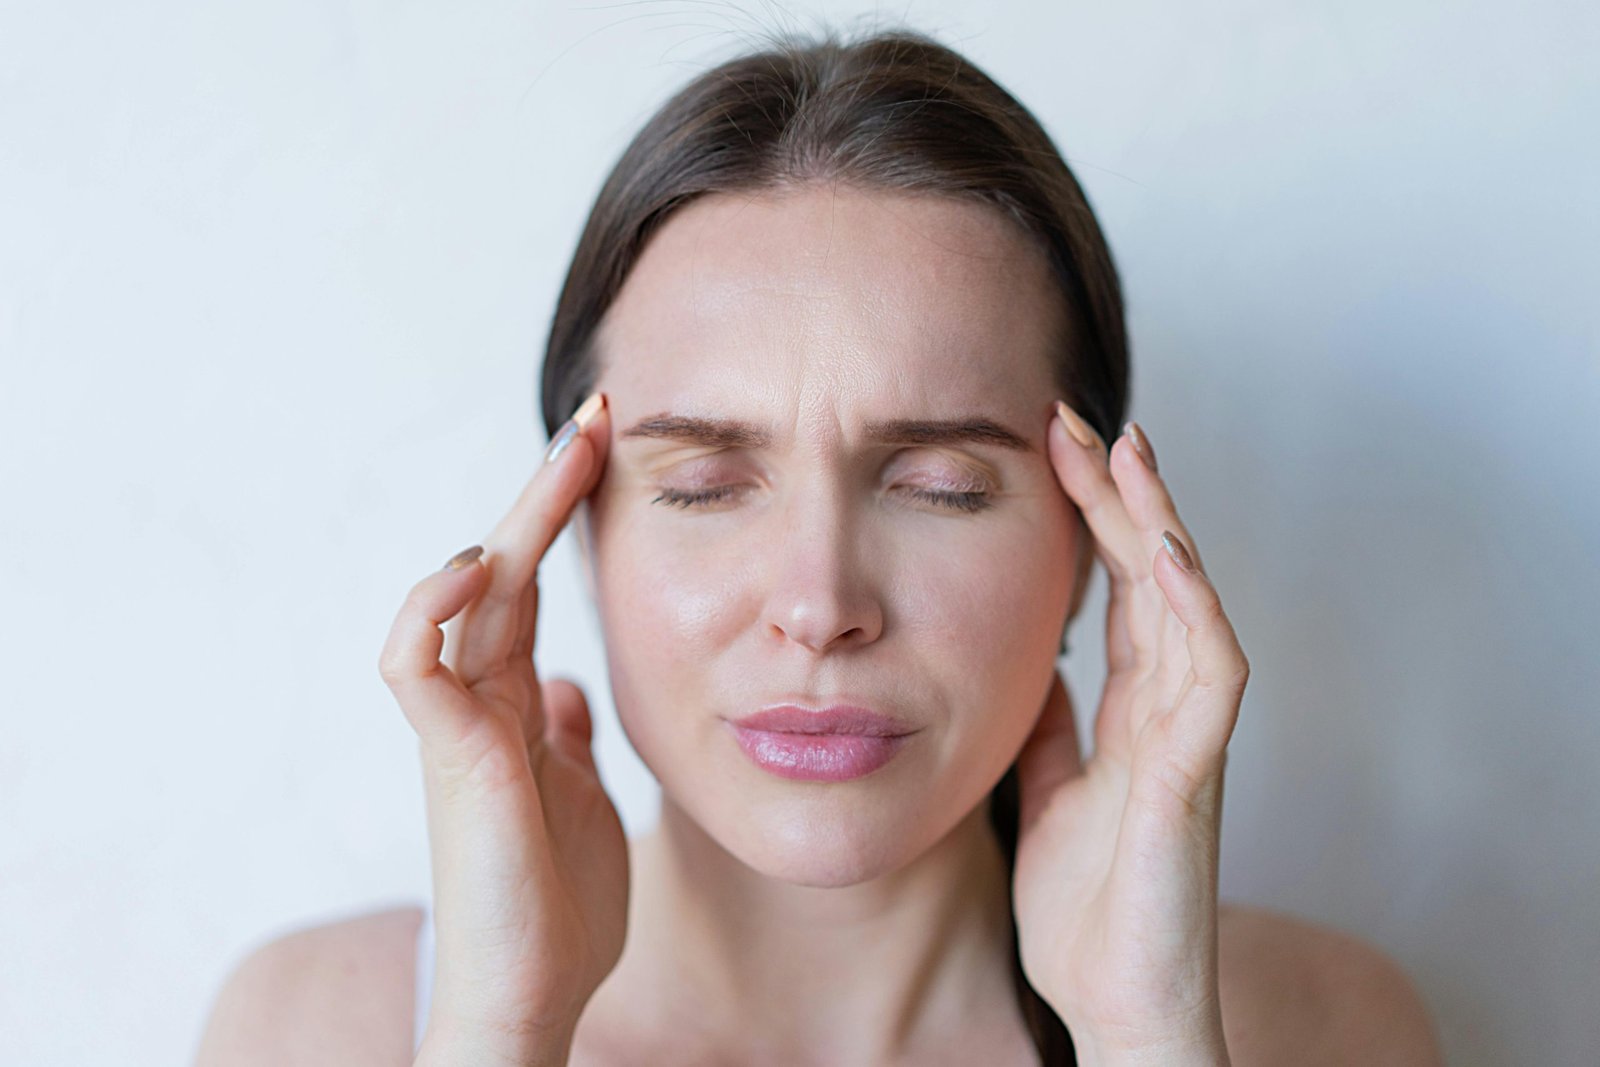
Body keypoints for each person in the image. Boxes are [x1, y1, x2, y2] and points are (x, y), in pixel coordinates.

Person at [195, 25, 1443, 1066]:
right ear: (576, 541)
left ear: (1092, 553)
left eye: (943, 485)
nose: (817, 601)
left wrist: (1146, 1030)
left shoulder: (1322, 1026)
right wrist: (499, 1028)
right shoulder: (323, 1025)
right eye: (705, 484)